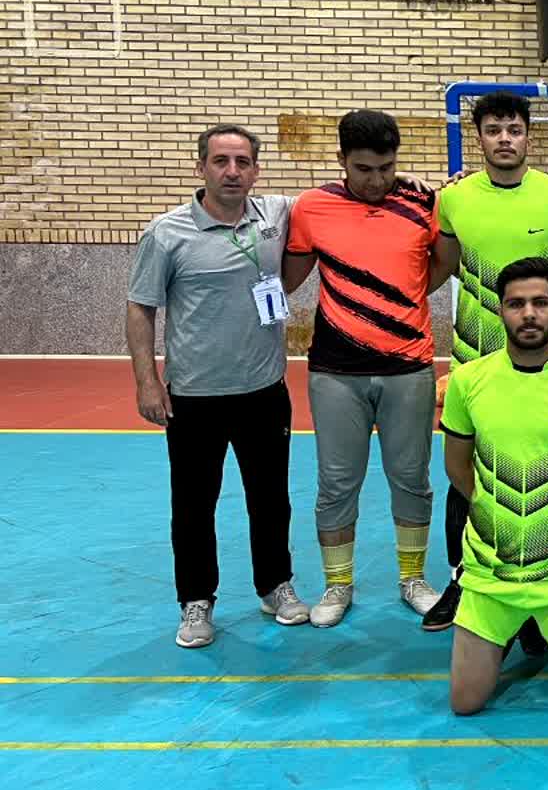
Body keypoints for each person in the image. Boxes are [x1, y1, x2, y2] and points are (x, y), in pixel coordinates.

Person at [423, 91, 548, 636]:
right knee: (468, 475)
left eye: (514, 129)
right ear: (478, 137)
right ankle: (463, 579)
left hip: (546, 367)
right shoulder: (454, 199)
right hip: (475, 364)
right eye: (494, 130)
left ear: (528, 135)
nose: (504, 139)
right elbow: (438, 268)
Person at [126, 124, 309, 649]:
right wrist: (147, 382)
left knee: (270, 499)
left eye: (242, 162)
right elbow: (140, 308)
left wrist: (416, 183)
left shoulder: (275, 214)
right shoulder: (166, 233)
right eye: (221, 161)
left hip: (264, 391)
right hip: (193, 397)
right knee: (192, 505)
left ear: (256, 170)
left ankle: (275, 585)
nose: (232, 172)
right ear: (200, 167)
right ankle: (196, 600)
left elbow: (339, 197)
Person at [282, 109, 456, 628]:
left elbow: (441, 265)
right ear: (341, 160)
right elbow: (286, 280)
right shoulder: (312, 207)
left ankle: (413, 579)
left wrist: (399, 301)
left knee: (412, 479)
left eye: (386, 168)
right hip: (336, 372)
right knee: (337, 483)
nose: (376, 180)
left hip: (410, 369)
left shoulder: (424, 203)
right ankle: (337, 585)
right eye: (363, 169)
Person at [440, 257, 548, 715]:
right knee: (464, 703)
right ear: (500, 311)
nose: (529, 314)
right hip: (490, 573)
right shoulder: (468, 381)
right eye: (516, 304)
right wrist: (496, 512)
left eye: (541, 303)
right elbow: (457, 465)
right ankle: (518, 627)